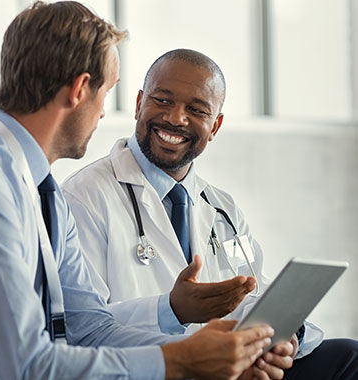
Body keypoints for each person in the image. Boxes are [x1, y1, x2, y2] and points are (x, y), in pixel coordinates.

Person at [0, 3, 279, 380]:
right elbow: (28, 365)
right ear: (81, 89)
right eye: (107, 92)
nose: (103, 111)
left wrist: (209, 354)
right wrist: (183, 362)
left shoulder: (45, 196)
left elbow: (89, 330)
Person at [61, 48, 358, 379]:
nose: (175, 118)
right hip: (155, 370)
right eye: (162, 100)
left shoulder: (221, 209)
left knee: (348, 356)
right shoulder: (84, 197)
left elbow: (254, 293)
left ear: (214, 125)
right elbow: (81, 328)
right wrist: (171, 310)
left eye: (196, 110)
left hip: (230, 367)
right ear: (138, 104)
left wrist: (287, 337)